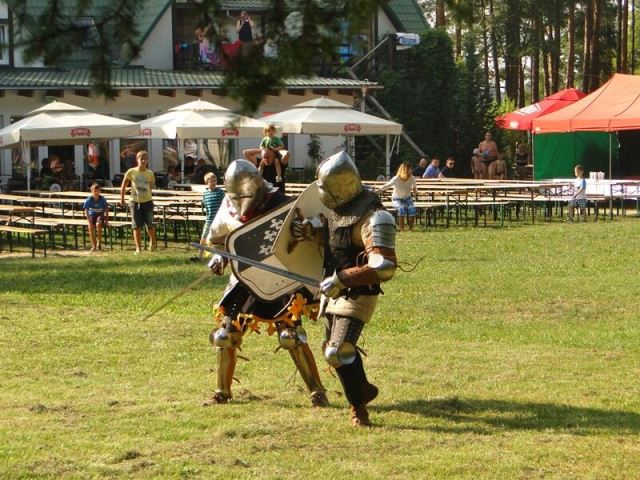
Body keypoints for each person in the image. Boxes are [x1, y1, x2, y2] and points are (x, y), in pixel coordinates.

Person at [203, 159, 329, 408]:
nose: (241, 201)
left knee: (290, 336)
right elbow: (218, 240)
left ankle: (317, 391)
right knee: (225, 335)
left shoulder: (279, 204)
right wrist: (219, 256)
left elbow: (317, 224)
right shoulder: (228, 205)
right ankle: (222, 392)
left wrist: (307, 229)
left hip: (277, 278)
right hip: (244, 278)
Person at [291, 151, 398, 427]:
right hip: (333, 290)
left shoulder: (374, 217)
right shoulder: (340, 210)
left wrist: (343, 279)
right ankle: (362, 389)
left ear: (339, 187)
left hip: (357, 291)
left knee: (337, 351)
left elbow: (385, 265)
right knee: (335, 350)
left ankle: (358, 410)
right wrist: (312, 232)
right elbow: (337, 240)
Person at [119, 150, 157, 255]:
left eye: (145, 159)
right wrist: (122, 198)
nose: (143, 161)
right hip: (134, 202)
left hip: (147, 202)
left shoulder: (150, 173)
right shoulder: (131, 172)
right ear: (137, 160)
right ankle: (138, 249)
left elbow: (151, 187)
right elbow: (124, 185)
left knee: (149, 225)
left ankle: (152, 240)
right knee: (136, 226)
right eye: (141, 159)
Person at [193, 172, 225, 261]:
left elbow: (225, 204)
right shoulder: (205, 194)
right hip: (209, 219)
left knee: (220, 239)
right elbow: (206, 206)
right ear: (207, 182)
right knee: (204, 237)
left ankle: (222, 257)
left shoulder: (220, 192)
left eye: (215, 180)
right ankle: (199, 256)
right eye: (211, 181)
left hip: (219, 220)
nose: (214, 183)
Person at [378, 162, 418, 231]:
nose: (411, 170)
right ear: (405, 170)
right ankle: (402, 229)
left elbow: (414, 187)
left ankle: (411, 228)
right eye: (410, 169)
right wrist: (378, 190)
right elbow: (387, 185)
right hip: (397, 199)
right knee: (401, 210)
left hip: (407, 198)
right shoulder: (396, 178)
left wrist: (415, 192)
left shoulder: (412, 178)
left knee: (412, 211)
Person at [83, 183, 109, 252]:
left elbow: (106, 209)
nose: (96, 193)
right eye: (94, 191)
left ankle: (99, 243)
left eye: (98, 191)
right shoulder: (89, 199)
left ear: (100, 191)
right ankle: (94, 245)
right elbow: (86, 211)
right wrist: (89, 222)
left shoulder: (102, 199)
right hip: (92, 215)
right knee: (90, 227)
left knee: (98, 224)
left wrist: (106, 220)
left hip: (100, 215)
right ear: (92, 191)